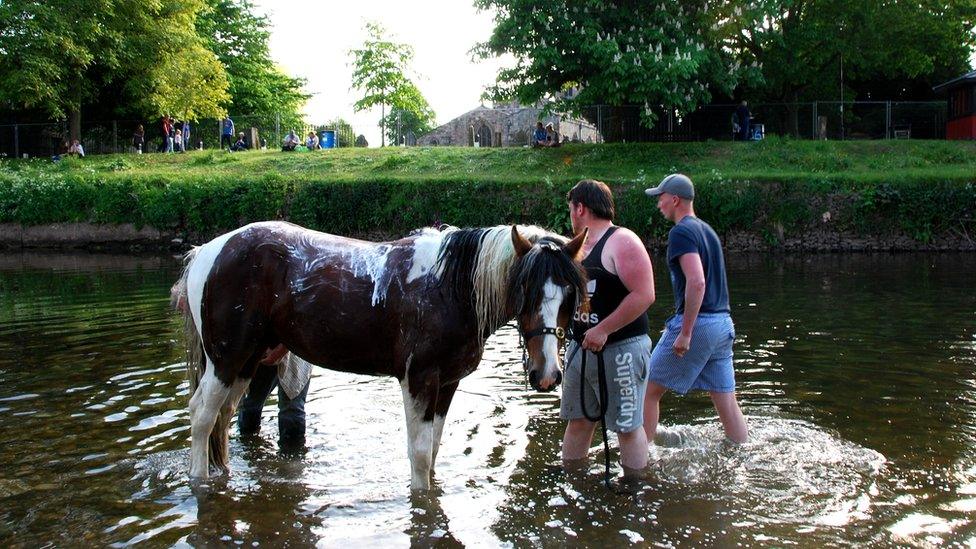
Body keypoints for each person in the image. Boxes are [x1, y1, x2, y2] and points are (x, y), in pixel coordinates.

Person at [643, 174, 748, 445]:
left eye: (661, 198)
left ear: (675, 199)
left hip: (699, 324)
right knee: (725, 399)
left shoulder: (681, 232)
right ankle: (741, 451)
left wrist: (686, 332)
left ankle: (639, 459)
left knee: (647, 390)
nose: (659, 204)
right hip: (723, 325)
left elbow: (697, 281)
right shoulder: (708, 231)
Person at [561, 179, 656, 475]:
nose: (570, 217)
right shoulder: (574, 247)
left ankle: (636, 487)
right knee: (578, 420)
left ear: (580, 208)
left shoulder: (622, 241)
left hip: (621, 350)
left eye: (570, 210)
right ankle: (572, 479)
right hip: (580, 350)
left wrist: (604, 329)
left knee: (627, 428)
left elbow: (645, 294)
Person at [238, 348, 313, 449]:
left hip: (293, 348)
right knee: (252, 404)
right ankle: (248, 447)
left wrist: (279, 351)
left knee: (291, 411)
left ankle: (249, 449)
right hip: (267, 346)